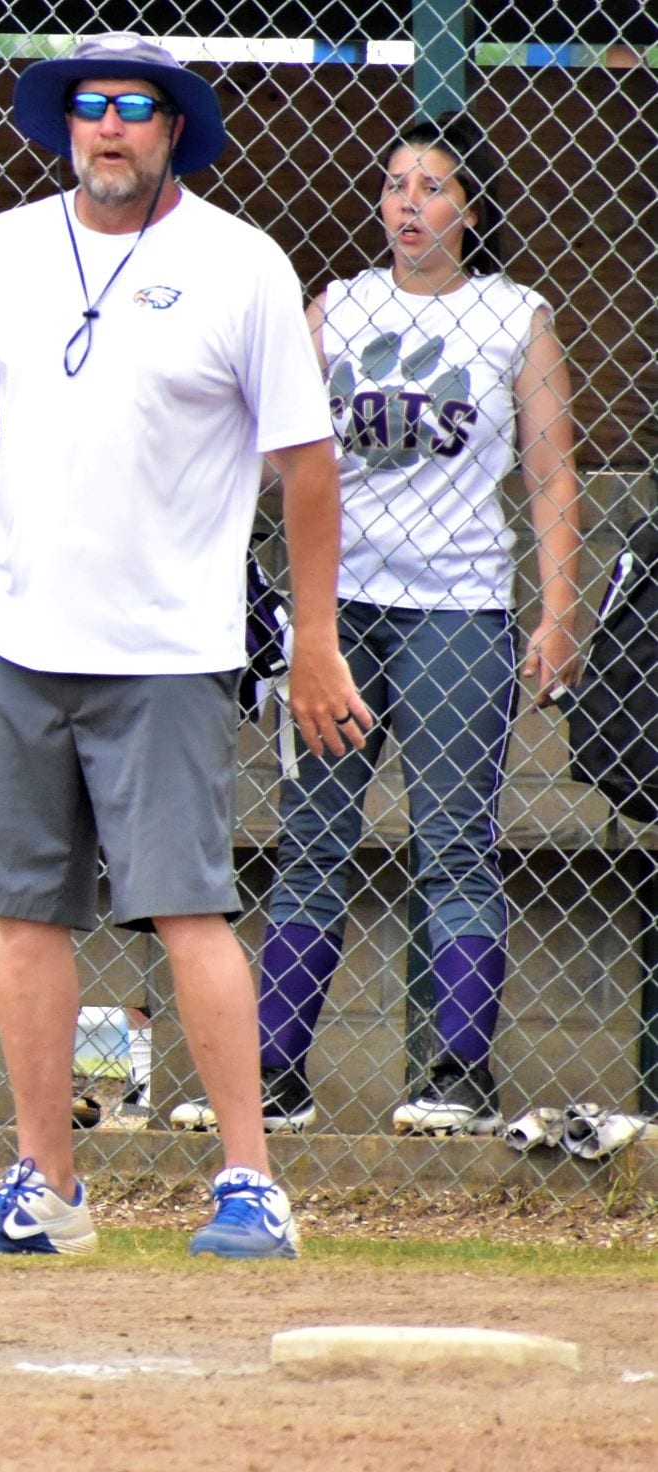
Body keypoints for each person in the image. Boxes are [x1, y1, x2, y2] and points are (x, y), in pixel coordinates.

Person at [0, 34, 369, 1260]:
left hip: (169, 650)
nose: (108, 127)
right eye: (89, 108)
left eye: (135, 109)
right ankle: (47, 1194)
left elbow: (308, 465)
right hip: (23, 639)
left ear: (173, 130)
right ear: (66, 125)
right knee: (24, 916)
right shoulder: (5, 251)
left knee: (186, 910)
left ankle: (248, 1186)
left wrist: (315, 638)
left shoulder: (242, 266)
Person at [173, 114, 581, 1140]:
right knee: (314, 840)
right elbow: (269, 443)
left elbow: (550, 475)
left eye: (433, 187)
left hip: (458, 610)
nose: (409, 203)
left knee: (453, 843)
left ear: (469, 210)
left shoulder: (515, 316)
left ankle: (457, 1074)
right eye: (396, 184)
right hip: (336, 614)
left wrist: (558, 612)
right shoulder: (339, 308)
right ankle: (276, 1078)